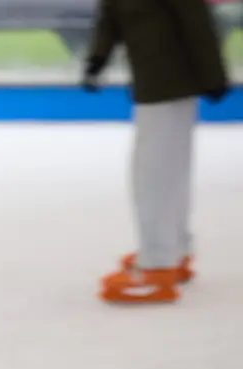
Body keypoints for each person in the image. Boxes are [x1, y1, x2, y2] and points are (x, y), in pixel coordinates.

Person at [84, 0, 230, 304]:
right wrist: (97, 58)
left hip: (170, 79)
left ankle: (157, 263)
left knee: (154, 173)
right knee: (166, 168)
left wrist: (213, 74)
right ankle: (173, 249)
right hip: (153, 79)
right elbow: (112, 14)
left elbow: (195, 20)